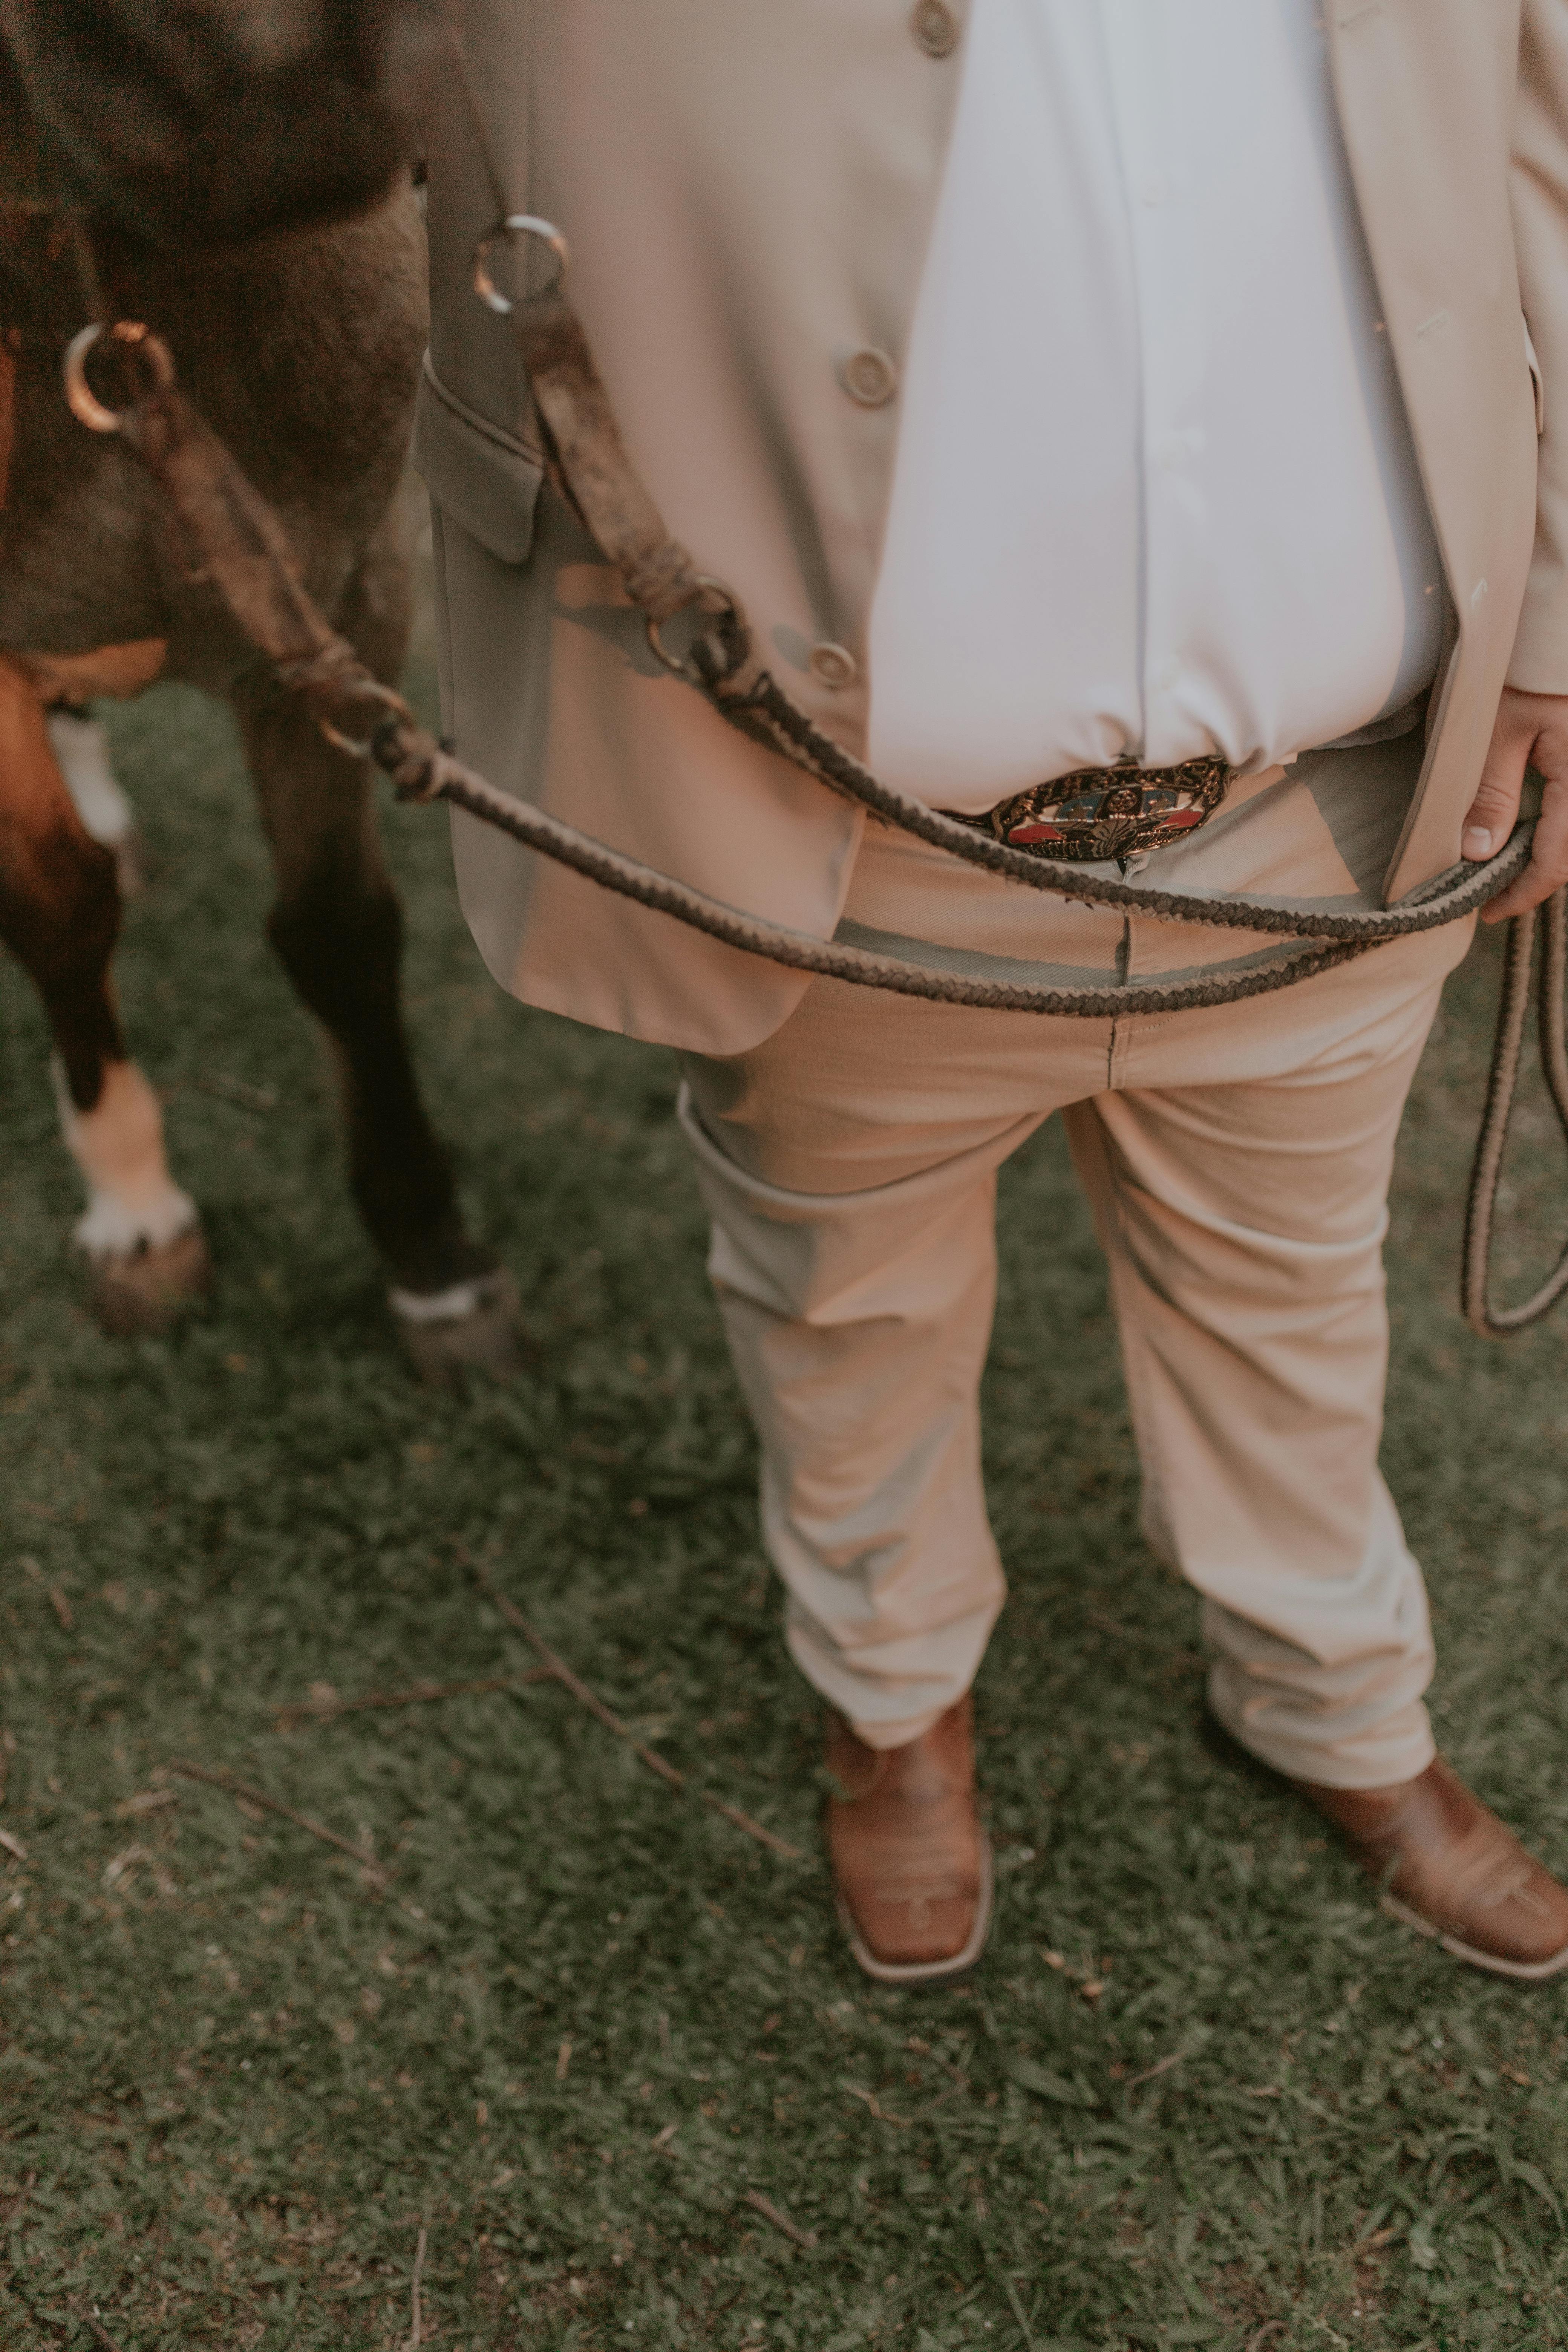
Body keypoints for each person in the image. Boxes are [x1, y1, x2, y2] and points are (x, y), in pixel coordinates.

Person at [16, 0, 1568, 1982]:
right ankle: (896, 1705)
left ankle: (1336, 1698)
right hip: (837, 832)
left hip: (1324, 825)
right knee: (847, 1306)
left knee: (1293, 1293)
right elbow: (223, 96)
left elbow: (1539, 164)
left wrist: (1559, 637)